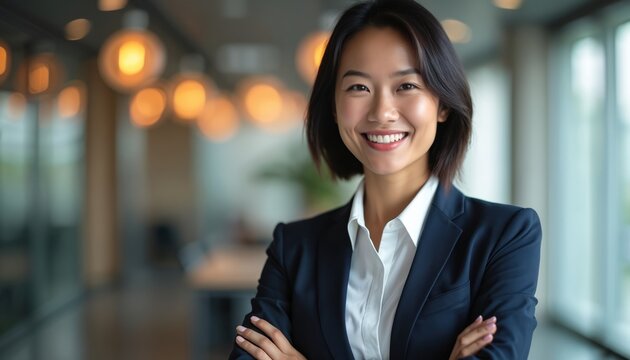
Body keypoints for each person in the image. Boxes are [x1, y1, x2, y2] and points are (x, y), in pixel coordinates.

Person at [230, 0, 542, 359]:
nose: (381, 112)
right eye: (358, 88)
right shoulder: (294, 247)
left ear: (441, 104)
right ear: (333, 107)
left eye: (406, 85)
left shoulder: (505, 235)